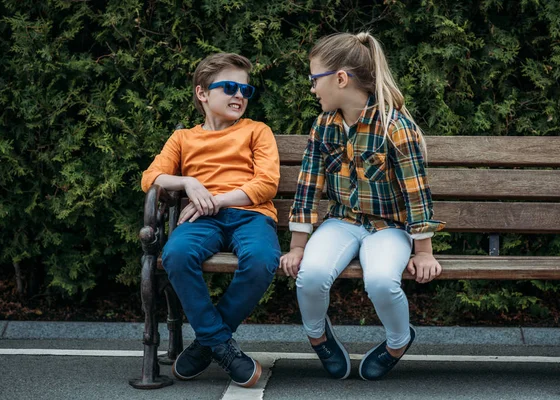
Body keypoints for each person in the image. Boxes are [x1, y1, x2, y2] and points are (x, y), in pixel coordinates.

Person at [279, 32, 445, 381]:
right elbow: (309, 186)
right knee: (310, 276)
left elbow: (416, 193)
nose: (312, 88)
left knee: (383, 281)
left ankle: (398, 342)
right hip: (341, 221)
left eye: (314, 80)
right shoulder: (323, 127)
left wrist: (424, 252)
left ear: (341, 78)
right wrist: (297, 246)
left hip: (388, 228)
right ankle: (318, 337)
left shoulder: (394, 128)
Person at [141, 53, 280, 388]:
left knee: (262, 259)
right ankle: (222, 345)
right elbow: (151, 178)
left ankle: (207, 343)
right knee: (176, 254)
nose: (239, 96)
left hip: (250, 215)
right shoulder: (183, 138)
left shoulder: (256, 131)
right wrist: (187, 182)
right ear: (202, 93)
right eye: (229, 87)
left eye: (246, 91)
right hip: (202, 221)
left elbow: (266, 183)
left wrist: (215, 200)